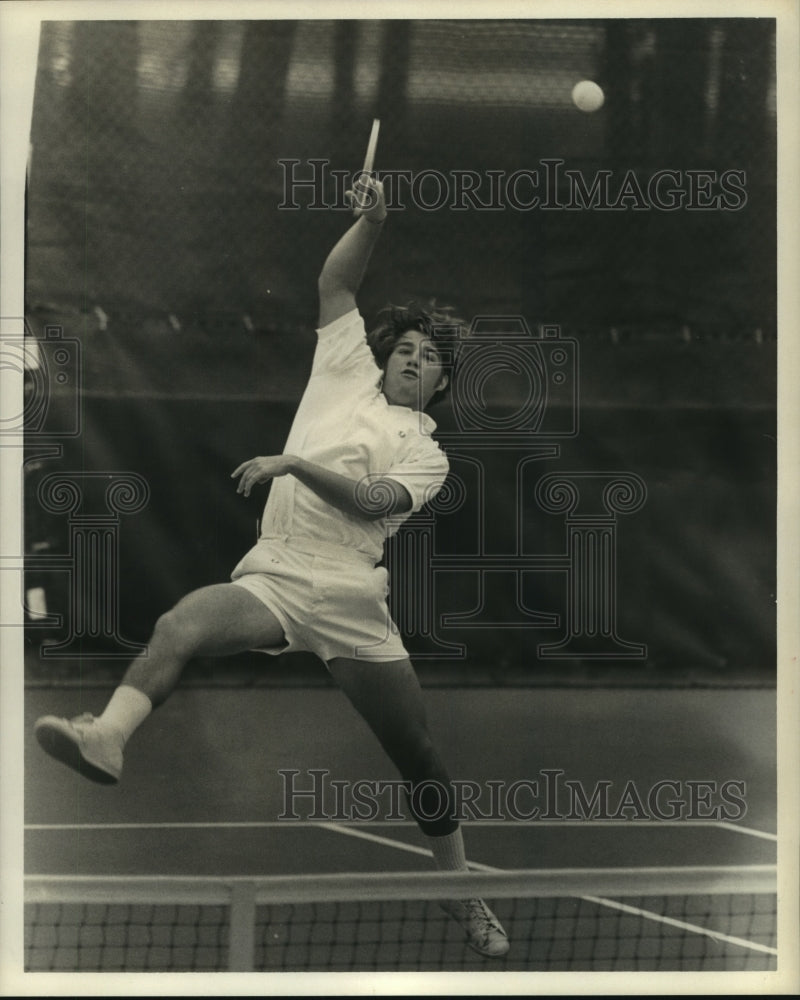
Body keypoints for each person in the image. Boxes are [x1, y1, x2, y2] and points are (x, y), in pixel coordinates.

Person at [34, 177, 509, 959]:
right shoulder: (344, 368)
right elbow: (336, 282)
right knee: (179, 622)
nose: (413, 362)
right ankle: (108, 737)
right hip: (281, 574)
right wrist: (373, 220)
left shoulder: (427, 453)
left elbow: (369, 500)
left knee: (416, 755)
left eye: (429, 360)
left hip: (352, 591)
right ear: (385, 358)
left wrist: (293, 463)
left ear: (442, 384)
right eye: (406, 351)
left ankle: (459, 891)